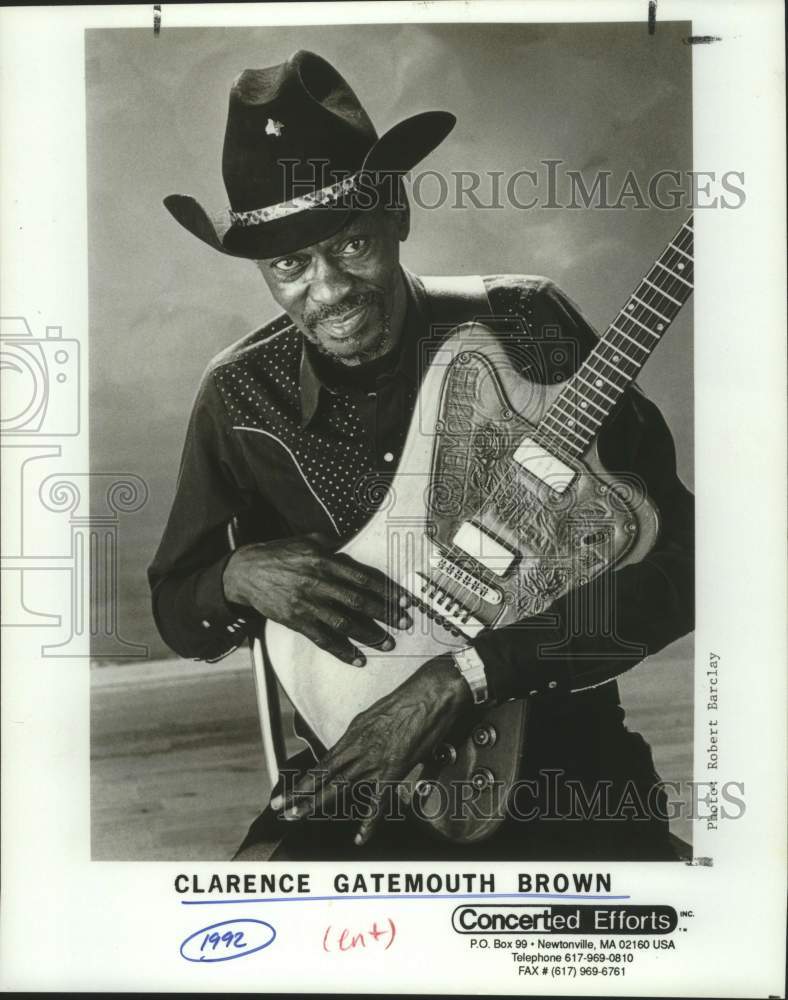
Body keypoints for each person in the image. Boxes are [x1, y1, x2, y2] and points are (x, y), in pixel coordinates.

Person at [149, 50, 694, 862]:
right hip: (360, 771)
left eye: (351, 246)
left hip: (567, 766)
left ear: (397, 213)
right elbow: (175, 605)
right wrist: (233, 577)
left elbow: (690, 566)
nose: (327, 289)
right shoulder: (238, 396)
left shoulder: (526, 324)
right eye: (289, 266)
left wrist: (477, 672)